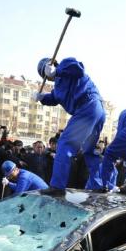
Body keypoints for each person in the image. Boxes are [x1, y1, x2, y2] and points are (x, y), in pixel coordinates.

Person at [33, 57, 105, 193]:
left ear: (53, 65)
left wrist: (58, 70)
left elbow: (78, 69)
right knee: (89, 150)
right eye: (45, 76)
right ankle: (99, 184)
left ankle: (57, 186)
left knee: (64, 144)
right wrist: (42, 98)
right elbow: (54, 98)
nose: (48, 78)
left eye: (46, 75)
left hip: (87, 106)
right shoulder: (57, 87)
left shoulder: (66, 64)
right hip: (95, 110)